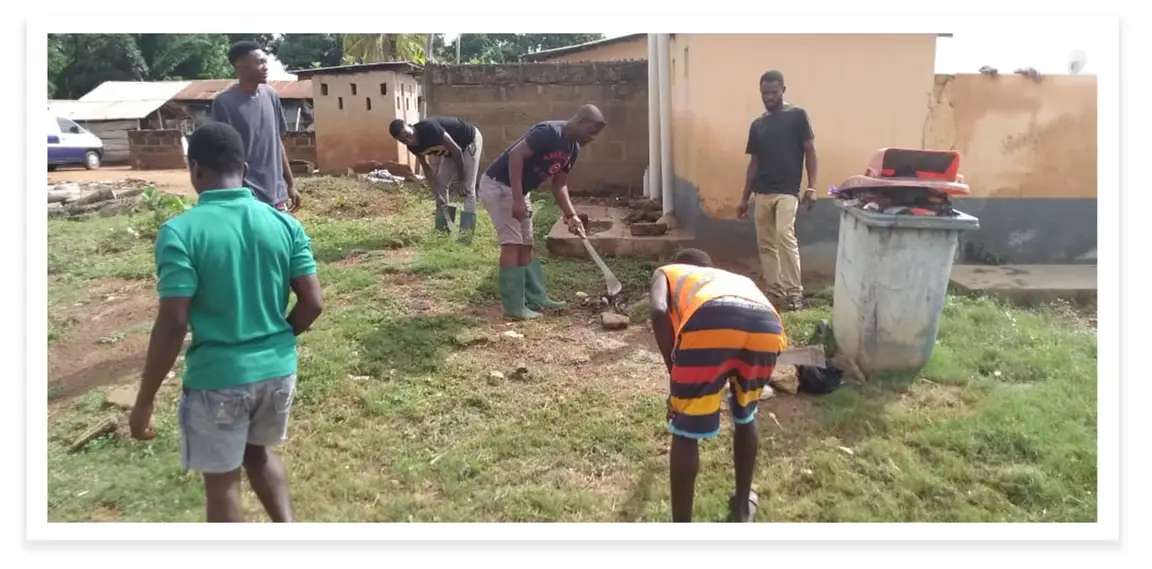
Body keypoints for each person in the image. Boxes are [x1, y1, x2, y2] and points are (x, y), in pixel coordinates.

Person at [128, 122, 324, 523]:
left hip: (217, 380)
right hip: (278, 373)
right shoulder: (285, 224)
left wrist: (144, 400)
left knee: (222, 483)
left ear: (194, 169)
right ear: (246, 169)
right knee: (260, 454)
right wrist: (277, 337)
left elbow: (173, 321)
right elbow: (313, 303)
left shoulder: (180, 232)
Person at [649, 248, 787, 523]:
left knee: (686, 429)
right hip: (767, 324)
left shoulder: (666, 272)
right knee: (746, 413)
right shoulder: (731, 277)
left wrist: (674, 373)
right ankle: (742, 508)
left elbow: (659, 309)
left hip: (711, 314)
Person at [478, 104, 607, 320]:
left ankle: (535, 296)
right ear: (580, 122)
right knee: (512, 243)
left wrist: (571, 215)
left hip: (520, 191)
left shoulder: (572, 150)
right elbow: (515, 156)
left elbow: (559, 186)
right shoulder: (549, 132)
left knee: (527, 242)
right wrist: (517, 199)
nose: (592, 138)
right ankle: (513, 307)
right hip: (499, 186)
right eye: (591, 132)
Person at [736, 70, 818, 311]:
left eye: (773, 92)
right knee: (766, 243)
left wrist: (812, 187)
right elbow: (754, 163)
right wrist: (744, 198)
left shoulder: (798, 116)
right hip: (762, 192)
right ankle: (775, 289)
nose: (769, 97)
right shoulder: (758, 125)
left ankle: (795, 293)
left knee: (784, 235)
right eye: (764, 93)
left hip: (788, 191)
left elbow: (810, 151)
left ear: (783, 90)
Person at [211, 40, 301, 213]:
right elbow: (225, 153)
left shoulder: (271, 95)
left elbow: (277, 141)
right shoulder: (225, 103)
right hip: (247, 195)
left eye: (265, 61)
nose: (265, 67)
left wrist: (290, 184)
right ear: (241, 65)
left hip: (276, 193)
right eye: (260, 62)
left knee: (282, 237)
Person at [388, 116, 483, 240]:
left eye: (408, 135)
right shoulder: (412, 147)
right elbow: (426, 168)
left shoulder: (429, 129)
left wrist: (461, 180)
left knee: (467, 188)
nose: (409, 140)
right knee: (441, 185)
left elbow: (457, 150)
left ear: (410, 126)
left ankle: (466, 236)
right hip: (450, 152)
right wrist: (437, 194)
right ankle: (443, 231)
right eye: (404, 140)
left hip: (469, 141)